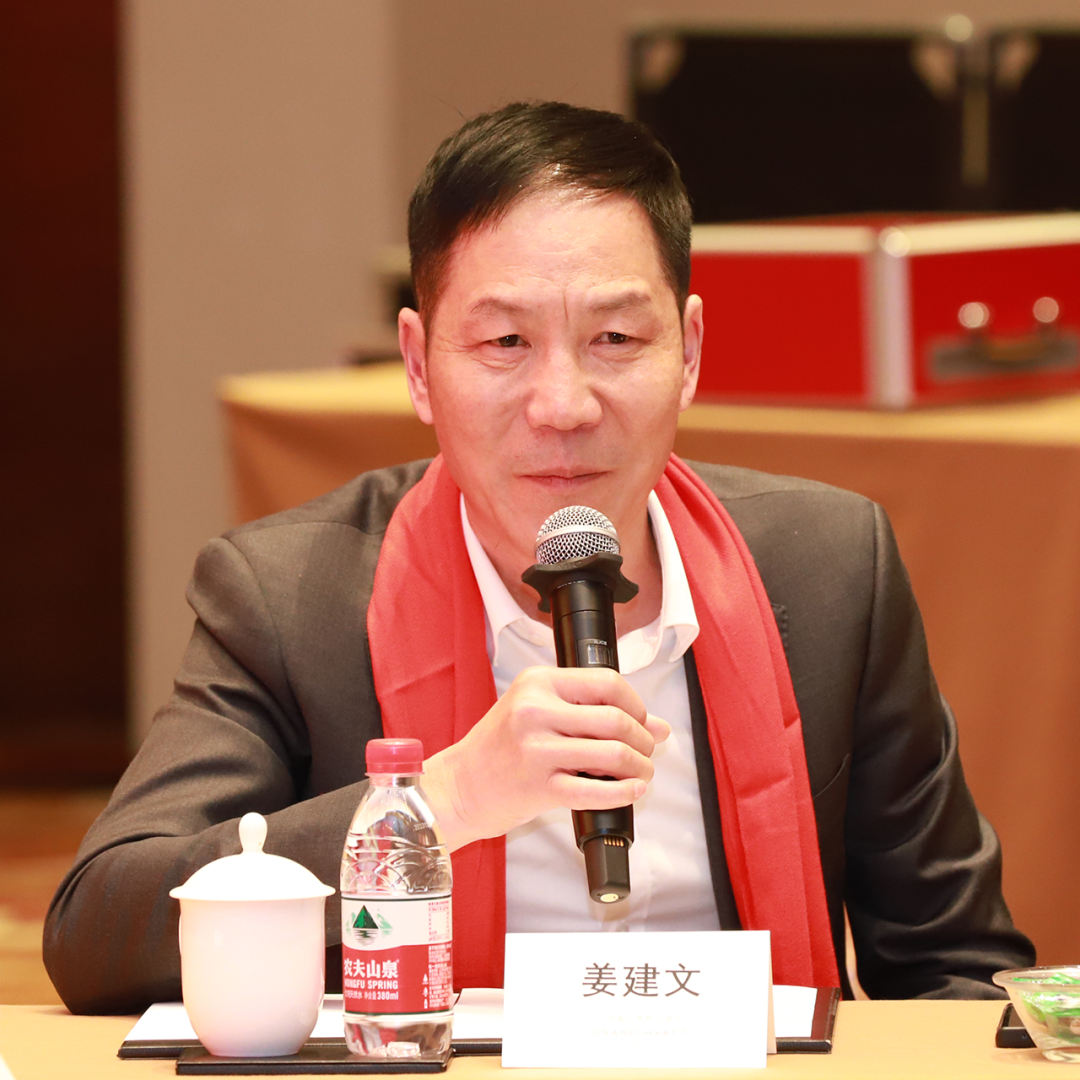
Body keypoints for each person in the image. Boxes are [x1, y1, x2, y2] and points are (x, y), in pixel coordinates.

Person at [44, 101, 1034, 1014]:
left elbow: (958, 967)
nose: (563, 405)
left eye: (615, 337)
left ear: (689, 351)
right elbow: (99, 931)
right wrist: (442, 802)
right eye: (506, 342)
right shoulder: (290, 595)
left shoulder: (830, 569)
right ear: (417, 365)